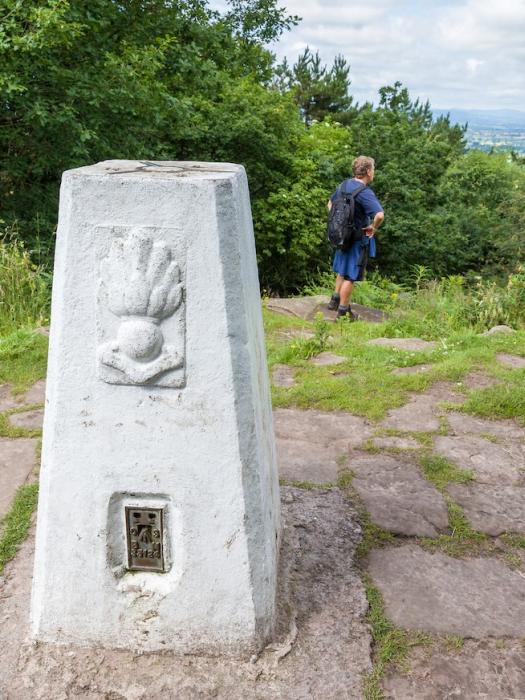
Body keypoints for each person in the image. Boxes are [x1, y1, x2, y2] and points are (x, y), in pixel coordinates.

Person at [327, 156, 384, 319]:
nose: (374, 173)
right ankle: (343, 312)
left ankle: (335, 300)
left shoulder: (344, 185)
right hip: (357, 239)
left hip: (342, 237)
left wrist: (338, 223)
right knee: (351, 275)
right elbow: (379, 215)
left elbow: (330, 204)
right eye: (373, 169)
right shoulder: (365, 192)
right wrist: (373, 227)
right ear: (367, 171)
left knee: (342, 269)